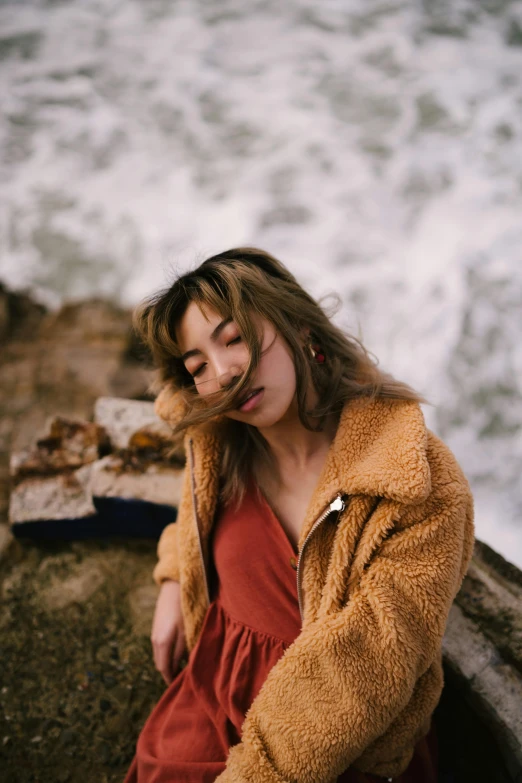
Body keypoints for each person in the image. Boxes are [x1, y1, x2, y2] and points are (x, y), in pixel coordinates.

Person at [123, 247, 475, 783]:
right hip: (208, 701)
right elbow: (192, 505)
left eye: (235, 338)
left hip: (325, 749)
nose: (223, 374)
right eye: (197, 366)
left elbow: (368, 665)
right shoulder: (220, 440)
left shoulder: (414, 482)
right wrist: (174, 575)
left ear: (299, 329)